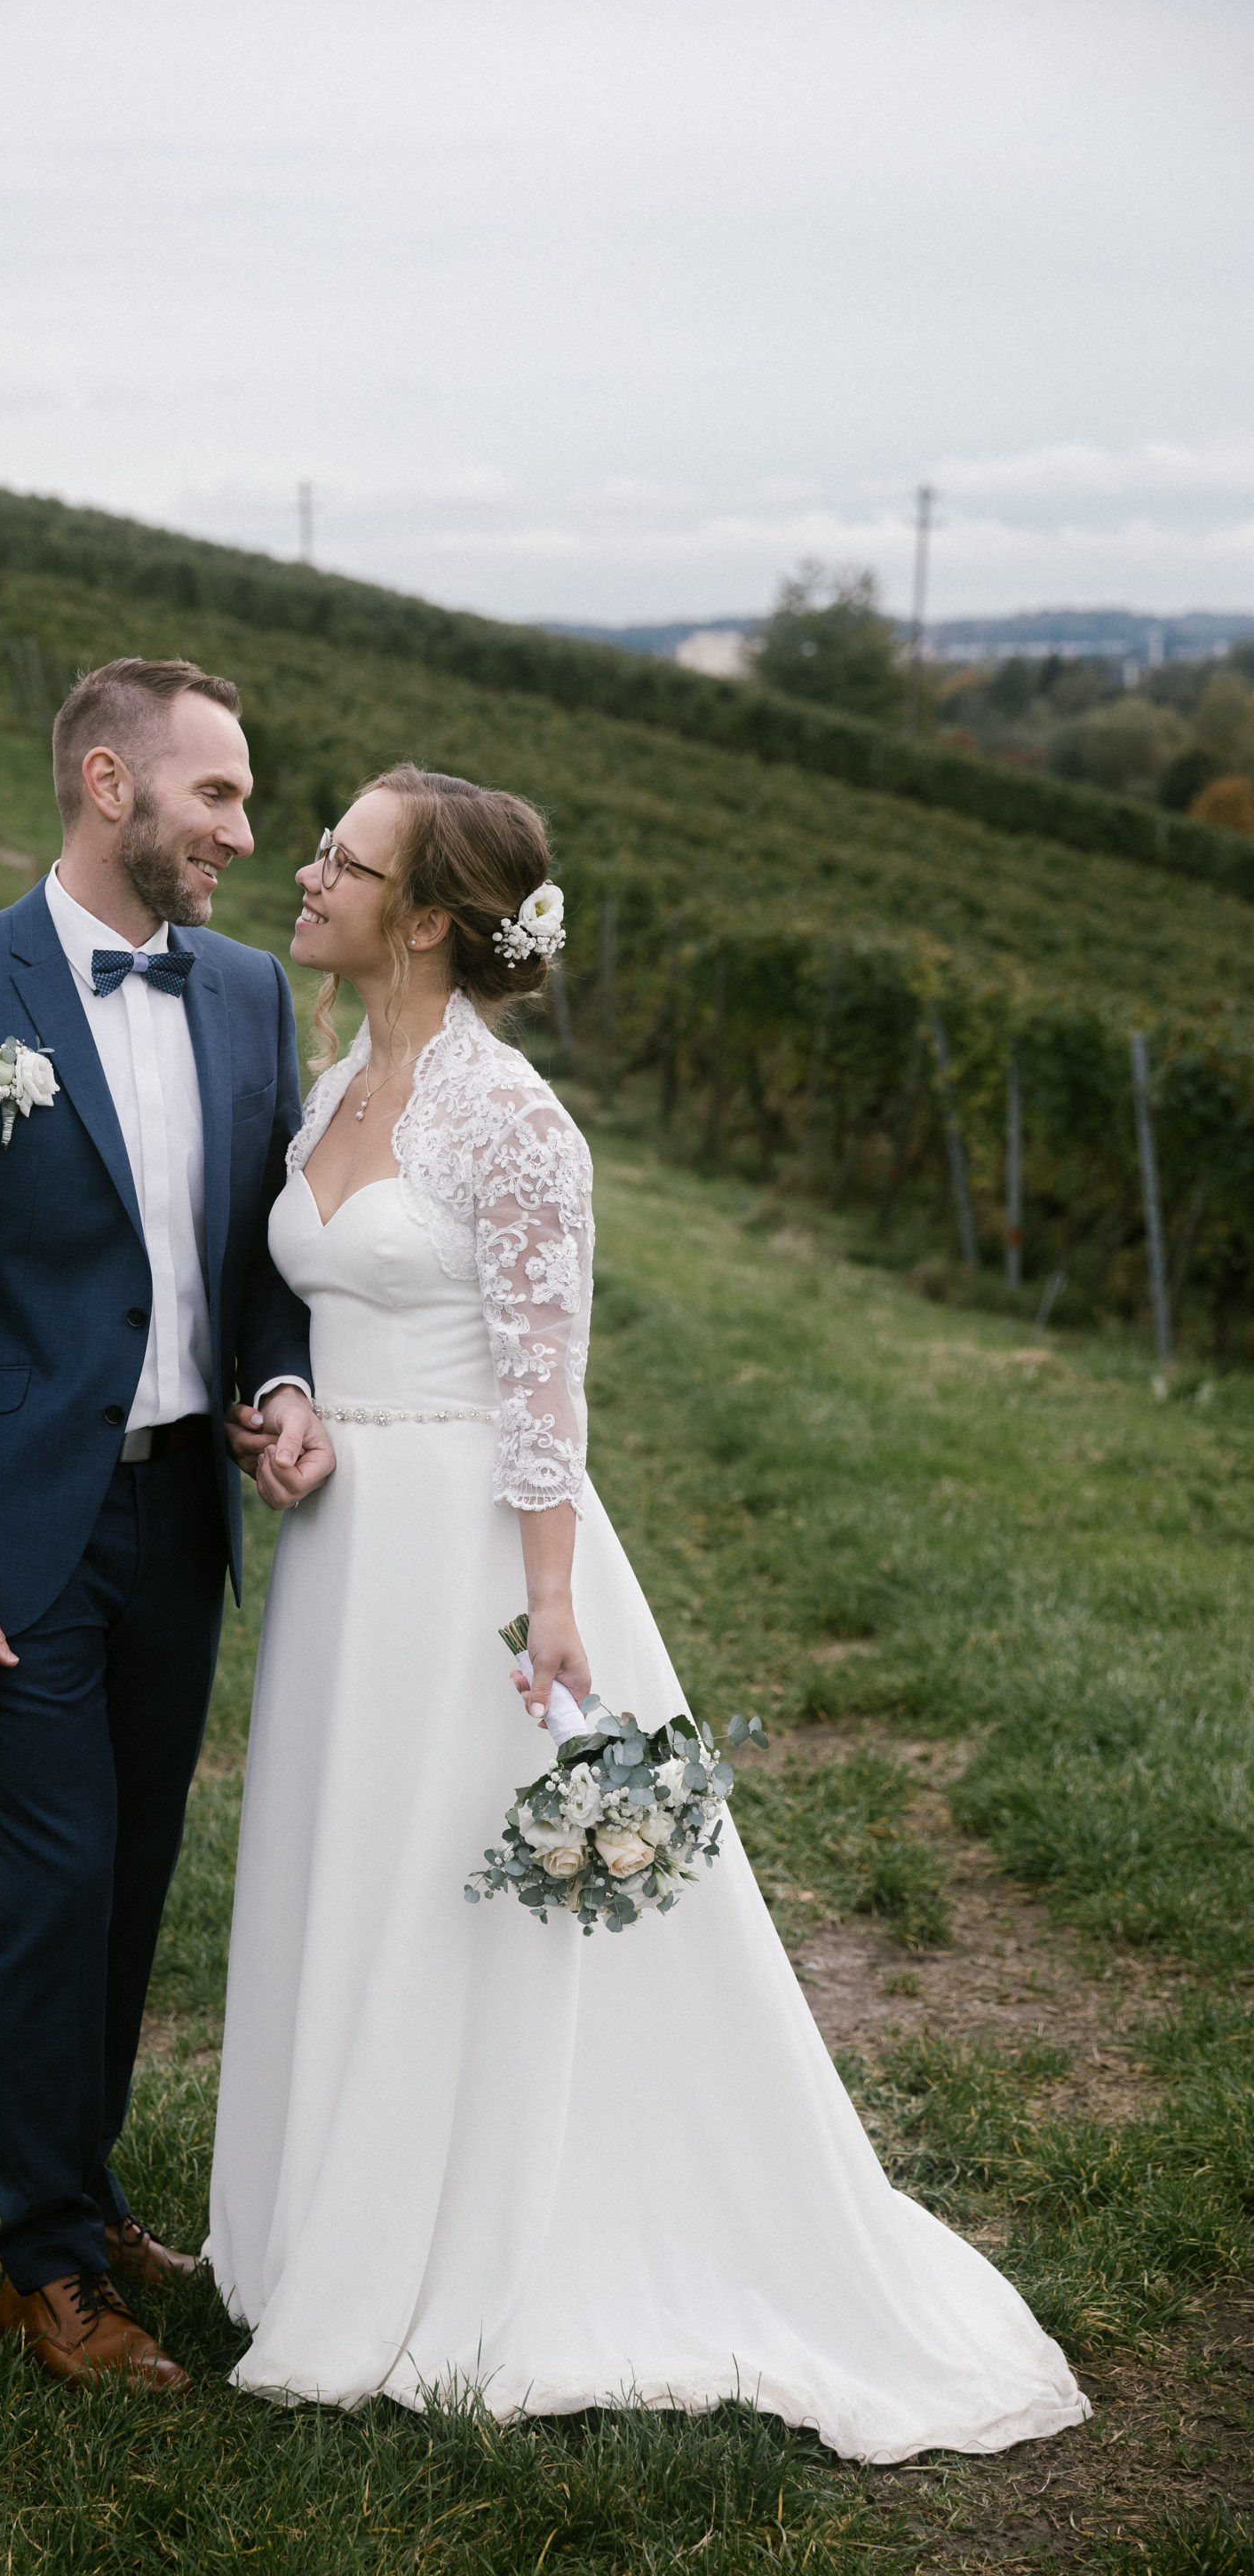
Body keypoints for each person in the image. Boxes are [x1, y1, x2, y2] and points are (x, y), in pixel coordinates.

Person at [207, 763, 1091, 2464]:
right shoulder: (332, 1092)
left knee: (462, 1893)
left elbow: (549, 1389)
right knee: (347, 1864)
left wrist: (547, 1609)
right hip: (340, 1557)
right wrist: (289, 1408)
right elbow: (326, 1312)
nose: (305, 872)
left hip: (472, 1564)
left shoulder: (514, 1123)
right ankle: (325, 2212)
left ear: (434, 918)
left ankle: (488, 2238)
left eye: (345, 858)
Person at [0, 657, 332, 2395]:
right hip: (17, 1536)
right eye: (219, 796)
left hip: (179, 1524)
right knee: (47, 1892)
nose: (247, 834)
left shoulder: (258, 997)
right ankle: (42, 2266)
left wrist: (278, 1389)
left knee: (127, 1892)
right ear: (110, 785)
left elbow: (262, 1260)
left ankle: (86, 2188)